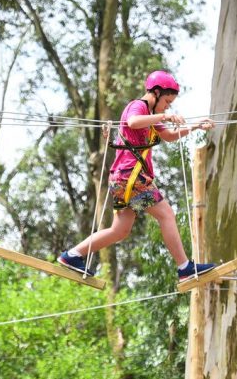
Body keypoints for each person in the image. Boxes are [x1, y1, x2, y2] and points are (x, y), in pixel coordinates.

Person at [57, 70, 218, 281]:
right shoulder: (139, 106)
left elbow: (169, 136)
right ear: (157, 92)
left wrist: (195, 126)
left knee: (120, 231)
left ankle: (72, 255)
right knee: (166, 214)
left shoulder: (150, 114)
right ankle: (184, 268)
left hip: (122, 179)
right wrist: (165, 116)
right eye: (167, 101)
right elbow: (133, 122)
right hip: (131, 177)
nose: (168, 106)